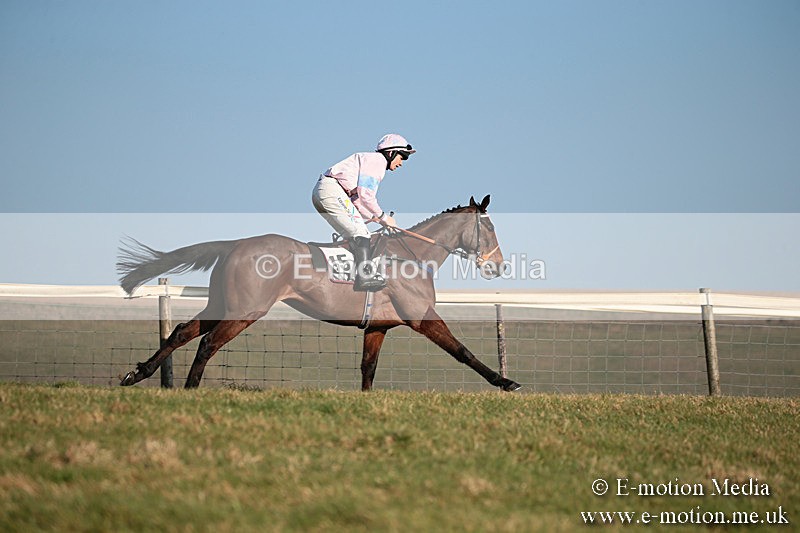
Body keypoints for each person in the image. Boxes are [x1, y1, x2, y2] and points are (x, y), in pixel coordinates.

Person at [312, 133, 416, 291]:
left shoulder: (371, 162)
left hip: (328, 192)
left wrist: (377, 218)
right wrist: (384, 217)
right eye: (402, 157)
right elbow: (366, 195)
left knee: (356, 234)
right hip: (332, 191)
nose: (402, 163)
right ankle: (365, 277)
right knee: (361, 232)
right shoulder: (377, 162)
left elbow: (358, 203)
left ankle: (346, 275)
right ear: (391, 153)